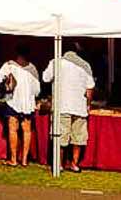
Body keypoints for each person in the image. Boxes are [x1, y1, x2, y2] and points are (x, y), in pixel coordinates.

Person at [42, 42, 95, 173]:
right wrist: (88, 104)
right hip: (79, 106)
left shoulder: (55, 62)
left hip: (62, 105)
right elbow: (90, 88)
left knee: (60, 136)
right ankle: (74, 164)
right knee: (78, 137)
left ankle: (59, 164)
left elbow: (45, 78)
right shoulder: (85, 64)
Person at [0, 44, 40, 167]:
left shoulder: (9, 65)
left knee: (12, 129)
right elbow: (37, 90)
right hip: (28, 103)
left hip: (13, 101)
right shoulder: (32, 68)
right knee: (27, 130)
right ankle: (24, 160)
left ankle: (13, 159)